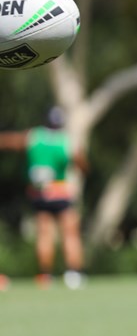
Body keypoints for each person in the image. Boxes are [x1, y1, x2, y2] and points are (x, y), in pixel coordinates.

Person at [0, 107, 87, 290]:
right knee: (70, 233)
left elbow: (12, 141)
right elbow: (81, 164)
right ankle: (74, 273)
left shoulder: (34, 136)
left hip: (39, 194)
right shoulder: (65, 141)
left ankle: (45, 275)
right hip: (61, 192)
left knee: (44, 234)